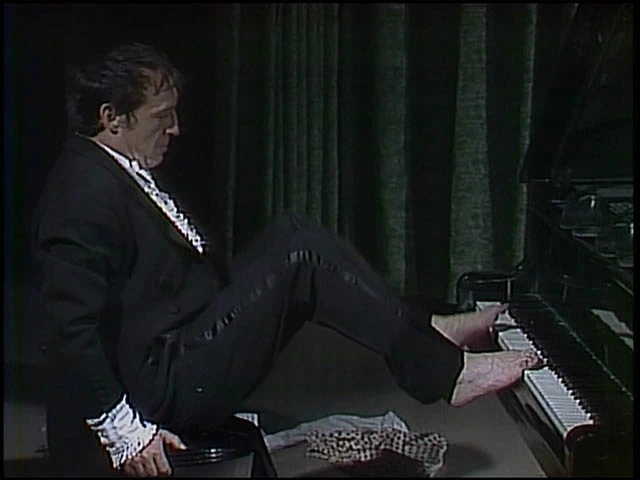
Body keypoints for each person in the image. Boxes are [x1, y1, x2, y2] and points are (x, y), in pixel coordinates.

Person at [32, 42, 542, 477]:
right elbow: (69, 332)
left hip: (173, 352)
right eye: (162, 117)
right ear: (112, 118)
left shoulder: (110, 169)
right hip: (158, 389)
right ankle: (446, 371)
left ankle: (422, 331)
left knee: (293, 233)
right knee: (300, 255)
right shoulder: (82, 193)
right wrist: (126, 434)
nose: (177, 129)